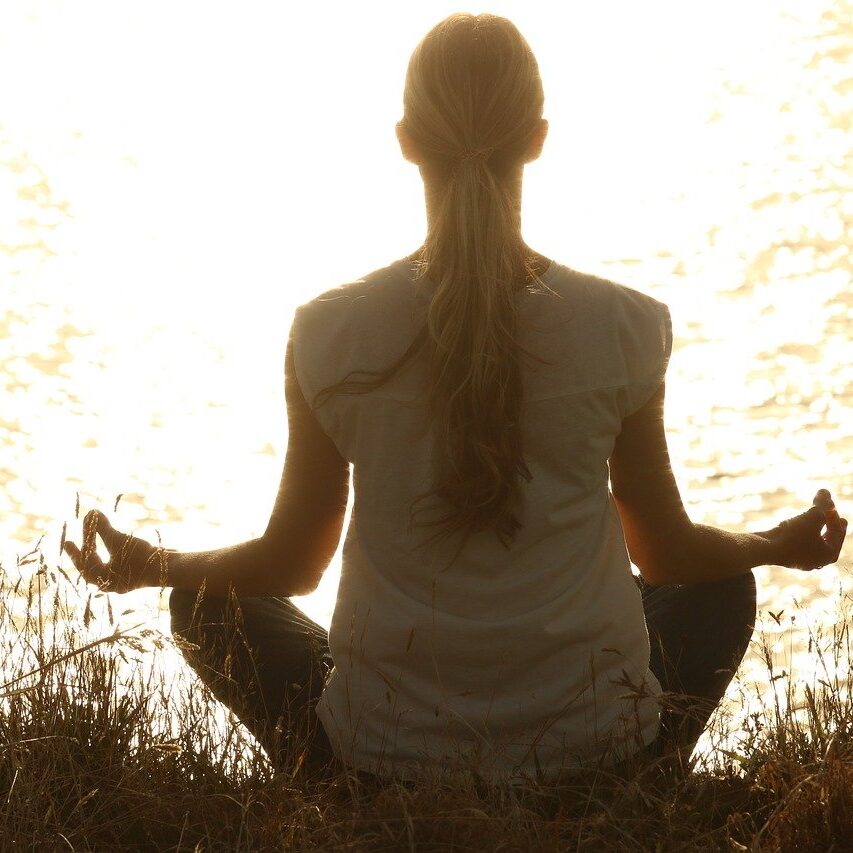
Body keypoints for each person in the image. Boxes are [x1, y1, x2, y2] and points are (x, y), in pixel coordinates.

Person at [64, 13, 848, 786]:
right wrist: (770, 546)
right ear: (537, 138)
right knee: (718, 582)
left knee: (205, 605)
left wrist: (151, 564)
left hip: (381, 760)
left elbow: (291, 564)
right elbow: (667, 552)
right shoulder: (625, 325)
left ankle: (338, 786)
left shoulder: (328, 331)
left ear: (405, 140)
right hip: (593, 753)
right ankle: (630, 776)